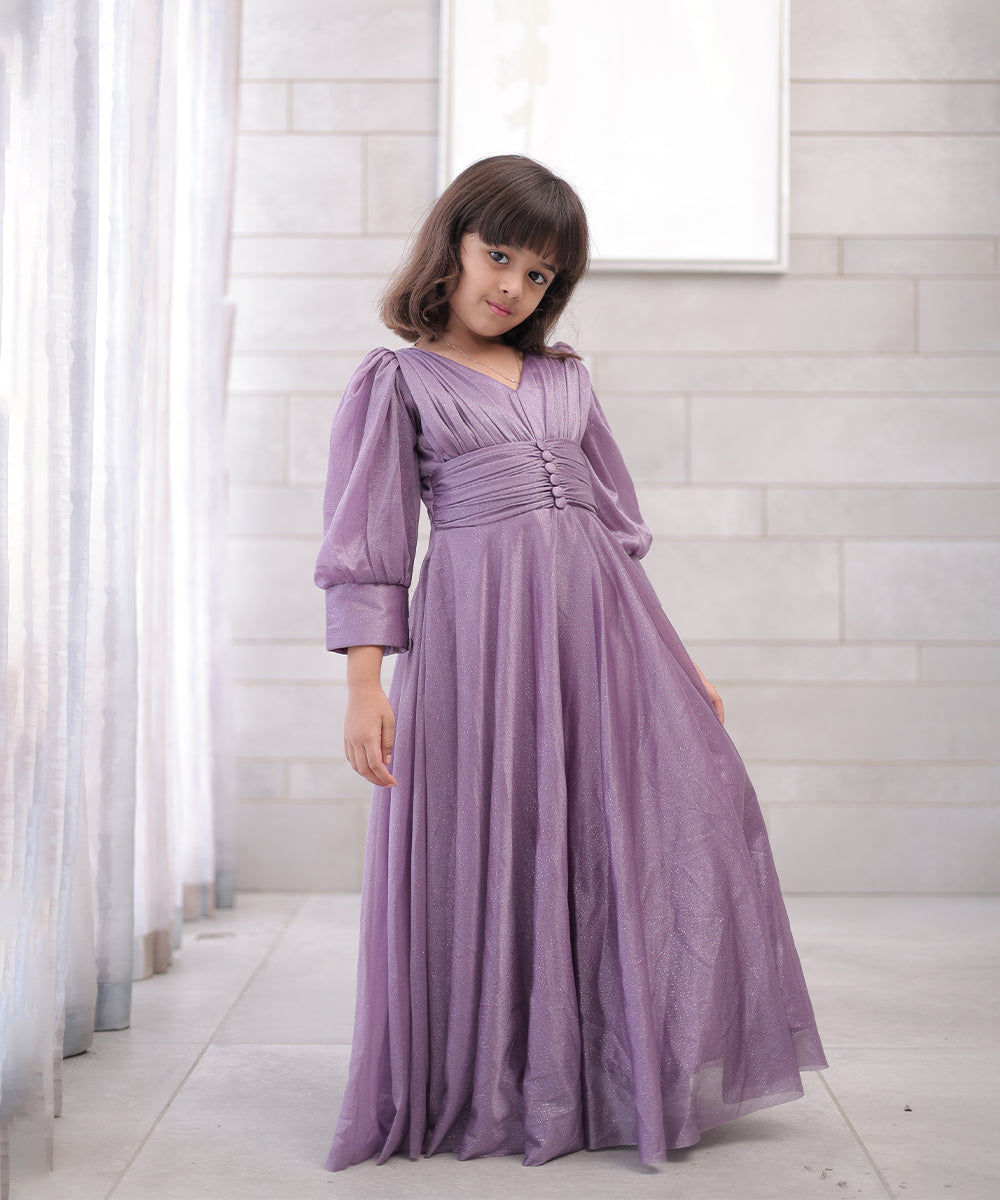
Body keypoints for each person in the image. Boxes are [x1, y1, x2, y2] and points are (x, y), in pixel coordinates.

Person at [314, 154, 826, 1172]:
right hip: (478, 646)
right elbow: (369, 544)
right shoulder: (398, 381)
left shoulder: (566, 380)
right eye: (498, 255)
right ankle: (494, 1077)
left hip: (602, 638)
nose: (512, 285)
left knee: (633, 829)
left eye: (538, 274)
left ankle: (606, 1070)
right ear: (454, 245)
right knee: (493, 837)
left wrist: (677, 658)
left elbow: (616, 536)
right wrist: (364, 683)